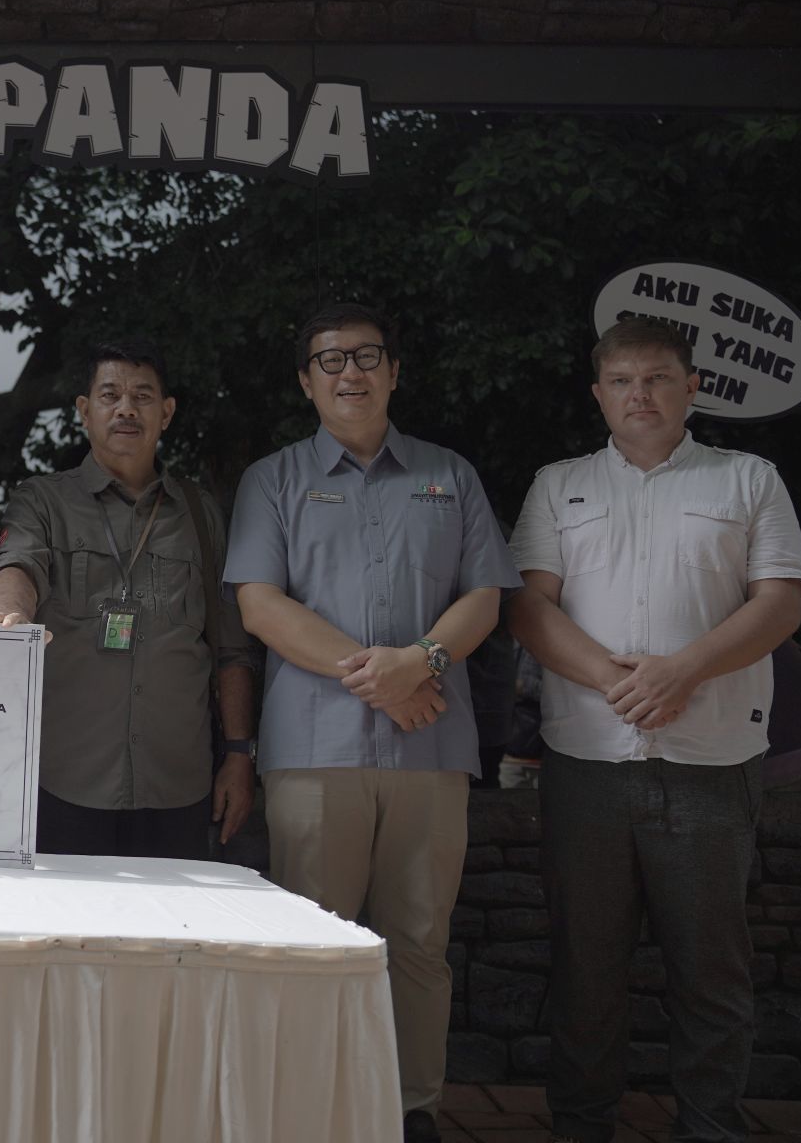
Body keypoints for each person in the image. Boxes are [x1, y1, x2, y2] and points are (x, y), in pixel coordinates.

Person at [507, 317, 801, 1143]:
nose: (640, 394)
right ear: (599, 394)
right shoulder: (558, 484)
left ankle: (712, 1128)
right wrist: (618, 681)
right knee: (585, 972)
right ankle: (582, 1128)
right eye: (623, 380)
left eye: (659, 378)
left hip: (710, 761)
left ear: (693, 388)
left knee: (712, 972)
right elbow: (529, 606)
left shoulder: (749, 479)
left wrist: (684, 671)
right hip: (588, 762)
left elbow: (779, 602)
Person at [223, 302, 519, 1143]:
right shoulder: (273, 479)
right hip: (315, 751)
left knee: (421, 942)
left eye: (366, 357)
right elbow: (260, 605)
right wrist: (383, 676)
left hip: (431, 748)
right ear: (306, 382)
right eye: (330, 361)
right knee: (316, 942)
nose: (349, 373)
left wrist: (417, 664)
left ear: (394, 371)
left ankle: (411, 1108)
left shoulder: (449, 475)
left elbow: (486, 596)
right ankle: (311, 1111)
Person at [0, 340, 257, 859]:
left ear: (167, 412)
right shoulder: (43, 499)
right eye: (110, 394)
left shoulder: (199, 513)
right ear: (85, 411)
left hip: (178, 781)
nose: (126, 408)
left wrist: (239, 755)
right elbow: (17, 563)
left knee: (172, 936)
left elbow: (230, 648)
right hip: (64, 777)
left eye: (142, 396)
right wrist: (12, 613)